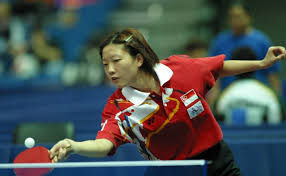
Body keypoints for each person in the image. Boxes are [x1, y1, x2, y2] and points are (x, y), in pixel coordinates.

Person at [49, 28, 286, 176]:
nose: (110, 70)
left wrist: (261, 64)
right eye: (104, 64)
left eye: (116, 60)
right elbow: (105, 144)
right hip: (170, 170)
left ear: (138, 59)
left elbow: (218, 67)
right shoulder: (119, 107)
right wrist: (75, 146)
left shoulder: (181, 69)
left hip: (217, 162)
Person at [209, 1, 281, 94]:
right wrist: (214, 99)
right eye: (232, 17)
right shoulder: (219, 42)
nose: (235, 20)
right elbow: (214, 74)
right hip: (229, 96)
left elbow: (272, 74)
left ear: (249, 17)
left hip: (257, 95)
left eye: (238, 16)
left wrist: (277, 97)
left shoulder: (261, 41)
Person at [215, 47, 282, 125]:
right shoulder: (270, 95)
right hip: (267, 136)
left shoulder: (222, 97)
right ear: (254, 65)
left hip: (231, 137)